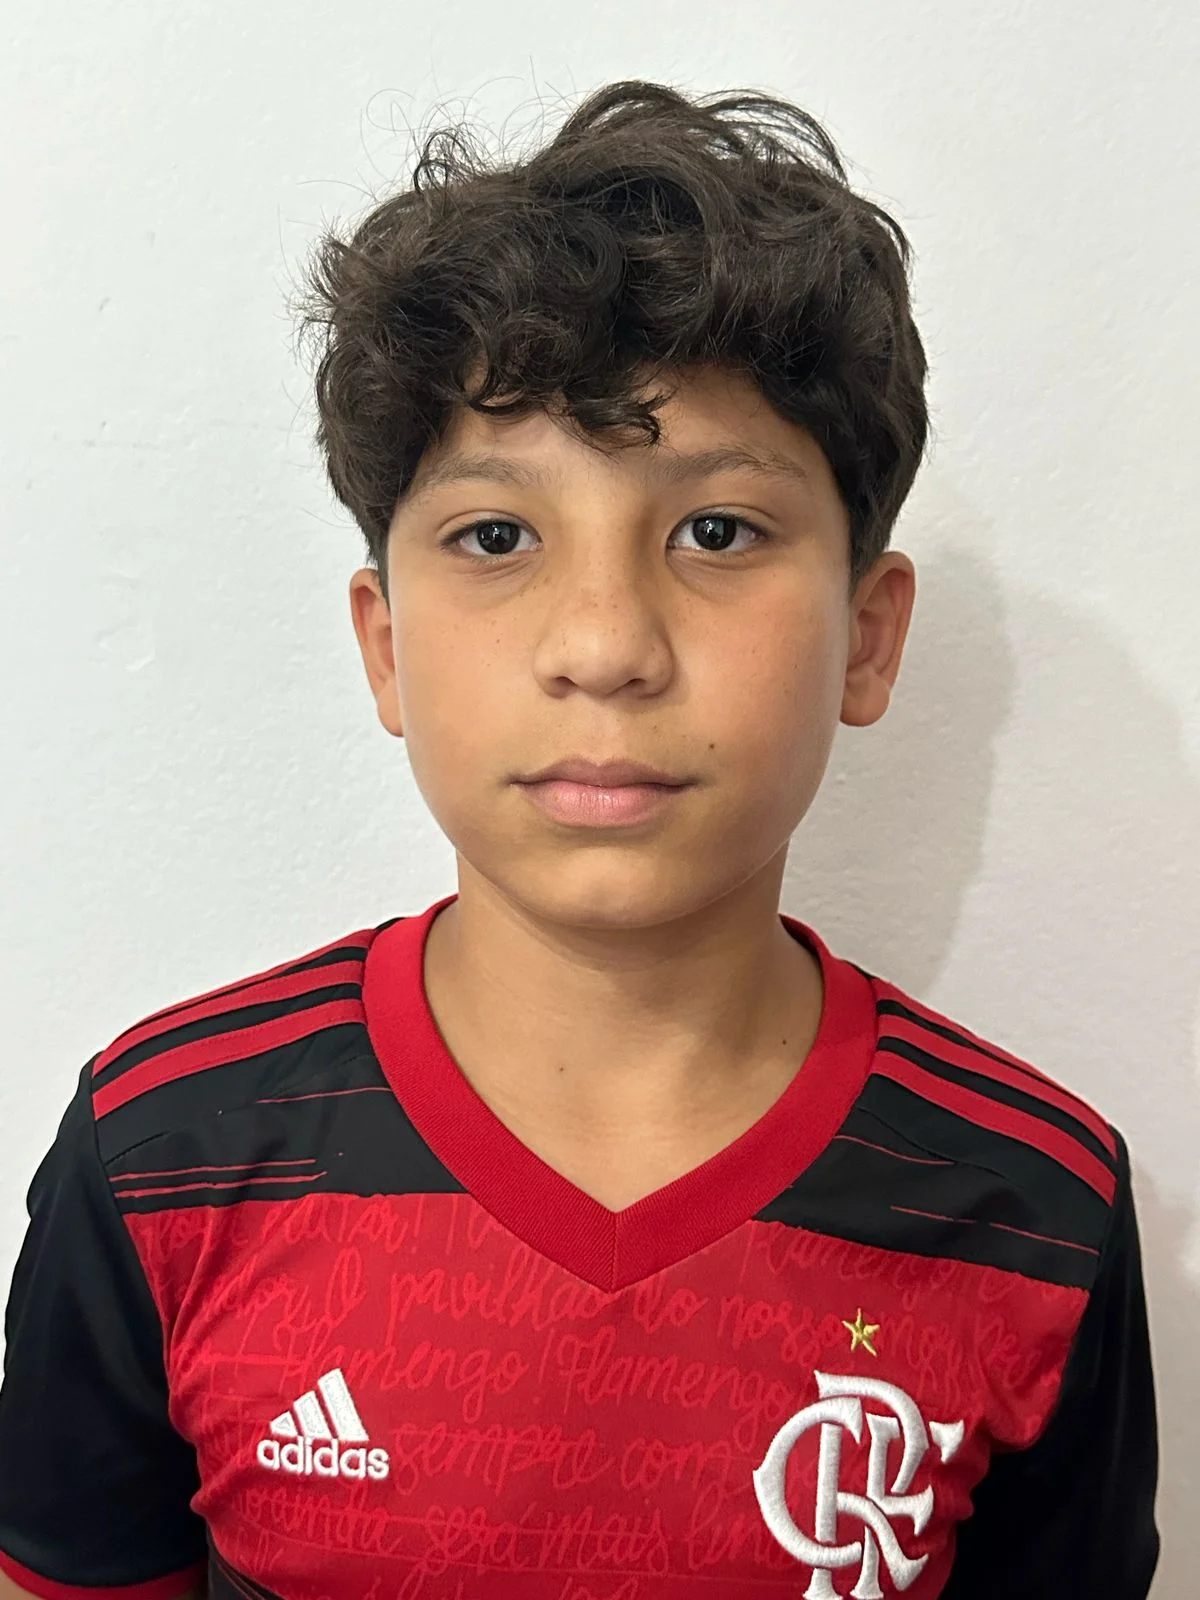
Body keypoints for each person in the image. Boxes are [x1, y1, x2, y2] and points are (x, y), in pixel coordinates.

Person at [0, 78, 1159, 1600]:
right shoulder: (167, 1153)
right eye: (497, 537)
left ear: (869, 637)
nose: (606, 646)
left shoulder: (1035, 1209)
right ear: (387, 648)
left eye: (717, 532)